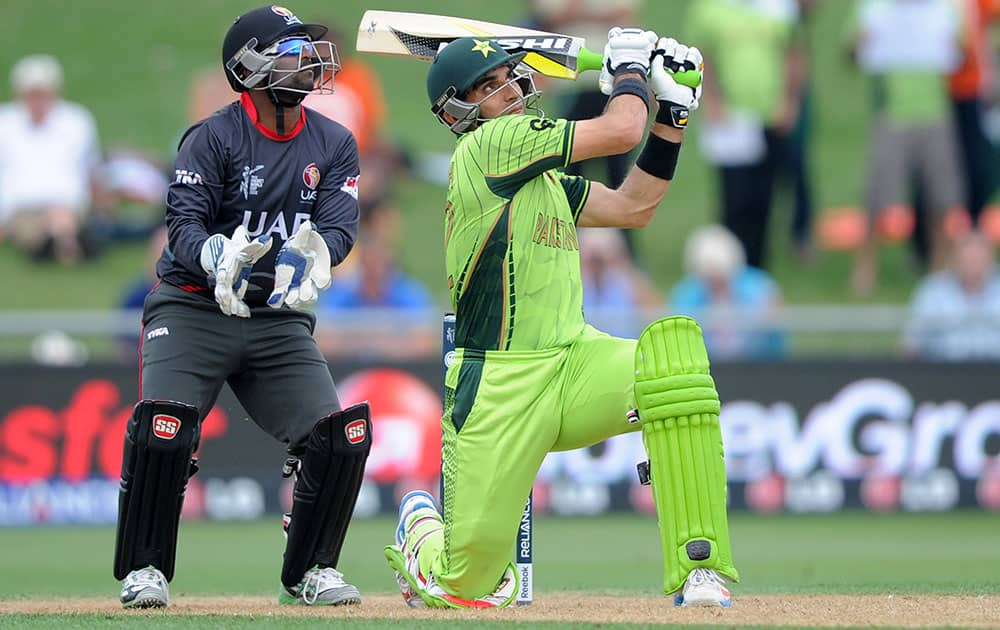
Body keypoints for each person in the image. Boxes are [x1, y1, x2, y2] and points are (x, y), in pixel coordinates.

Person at [384, 32, 739, 609]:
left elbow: (633, 208)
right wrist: (630, 74)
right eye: (488, 86)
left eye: (507, 76)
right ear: (461, 110)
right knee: (468, 588)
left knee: (675, 367)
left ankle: (698, 568)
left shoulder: (542, 179)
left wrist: (671, 116)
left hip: (574, 361)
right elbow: (621, 129)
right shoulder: (492, 146)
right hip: (500, 383)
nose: (508, 89)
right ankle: (422, 534)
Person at [112, 6, 371, 609]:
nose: (309, 61)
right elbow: (182, 223)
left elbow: (338, 227)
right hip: (195, 305)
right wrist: (215, 255)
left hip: (276, 317)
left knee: (340, 437)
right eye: (292, 51)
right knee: (165, 426)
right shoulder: (213, 137)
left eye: (308, 50)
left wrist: (316, 253)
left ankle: (311, 571)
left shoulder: (333, 142)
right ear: (250, 67)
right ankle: (145, 569)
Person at [846, 0, 964, 295]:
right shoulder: (875, 10)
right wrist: (860, 41)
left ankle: (940, 264)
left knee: (941, 194)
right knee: (878, 194)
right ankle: (866, 263)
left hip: (935, 111)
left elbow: (960, 53)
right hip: (893, 112)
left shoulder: (943, 10)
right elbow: (852, 53)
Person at [686, 0, 804, 270]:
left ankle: (758, 267)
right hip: (731, 119)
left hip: (770, 116)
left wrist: (789, 101)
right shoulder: (709, 9)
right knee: (735, 198)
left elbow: (794, 52)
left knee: (763, 196)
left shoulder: (780, 7)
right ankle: (729, 266)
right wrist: (713, 100)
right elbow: (703, 55)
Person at [0, 54, 101, 263]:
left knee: (61, 218)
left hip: (67, 205)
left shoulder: (76, 121)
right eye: (32, 94)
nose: (37, 101)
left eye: (42, 94)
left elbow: (92, 169)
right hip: (21, 207)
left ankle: (58, 242)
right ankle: (64, 243)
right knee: (38, 226)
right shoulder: (5, 122)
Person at [669, 224, 785, 359]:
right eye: (709, 277)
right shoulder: (686, 295)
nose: (715, 282)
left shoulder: (760, 287)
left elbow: (774, 333)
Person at [902, 230, 1000, 359]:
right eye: (968, 258)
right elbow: (912, 341)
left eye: (978, 258)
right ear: (955, 258)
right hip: (942, 370)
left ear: (990, 259)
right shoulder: (933, 290)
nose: (973, 264)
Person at [578, 226, 661, 337]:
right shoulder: (575, 286)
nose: (597, 266)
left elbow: (657, 314)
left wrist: (625, 267)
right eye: (592, 261)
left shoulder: (628, 283)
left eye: (600, 260)